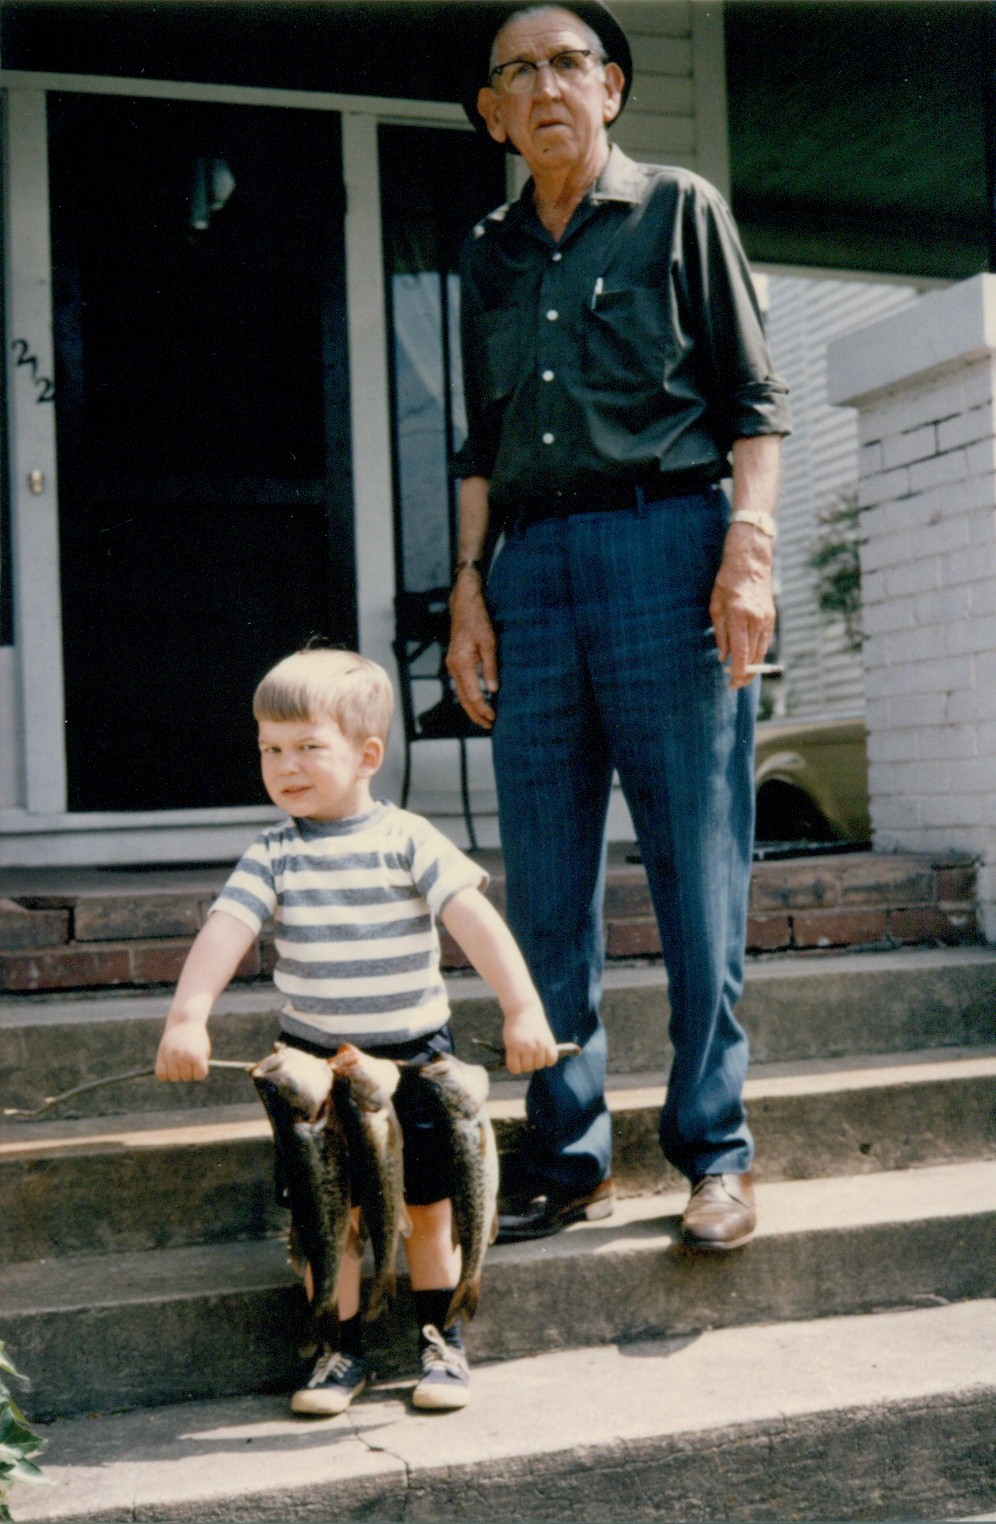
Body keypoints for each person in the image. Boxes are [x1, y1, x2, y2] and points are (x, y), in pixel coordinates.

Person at [447, 3, 791, 1250]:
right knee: (545, 880)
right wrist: (469, 593)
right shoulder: (487, 251)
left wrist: (746, 554)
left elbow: (755, 402)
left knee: (699, 869)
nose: (546, 88)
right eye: (519, 72)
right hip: (530, 571)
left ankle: (715, 1151)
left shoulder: (679, 211)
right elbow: (480, 446)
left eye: (569, 65)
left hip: (669, 549)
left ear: (613, 89)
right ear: (493, 111)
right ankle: (567, 1149)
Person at [155, 647, 558, 1415]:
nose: (286, 766)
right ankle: (337, 1350)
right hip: (312, 1066)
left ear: (368, 755)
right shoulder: (271, 853)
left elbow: (476, 922)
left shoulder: (408, 837)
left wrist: (523, 1008)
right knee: (327, 1214)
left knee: (431, 1207)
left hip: (413, 1063)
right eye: (272, 749)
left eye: (309, 746)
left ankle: (441, 1339)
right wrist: (187, 1017)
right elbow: (224, 931)